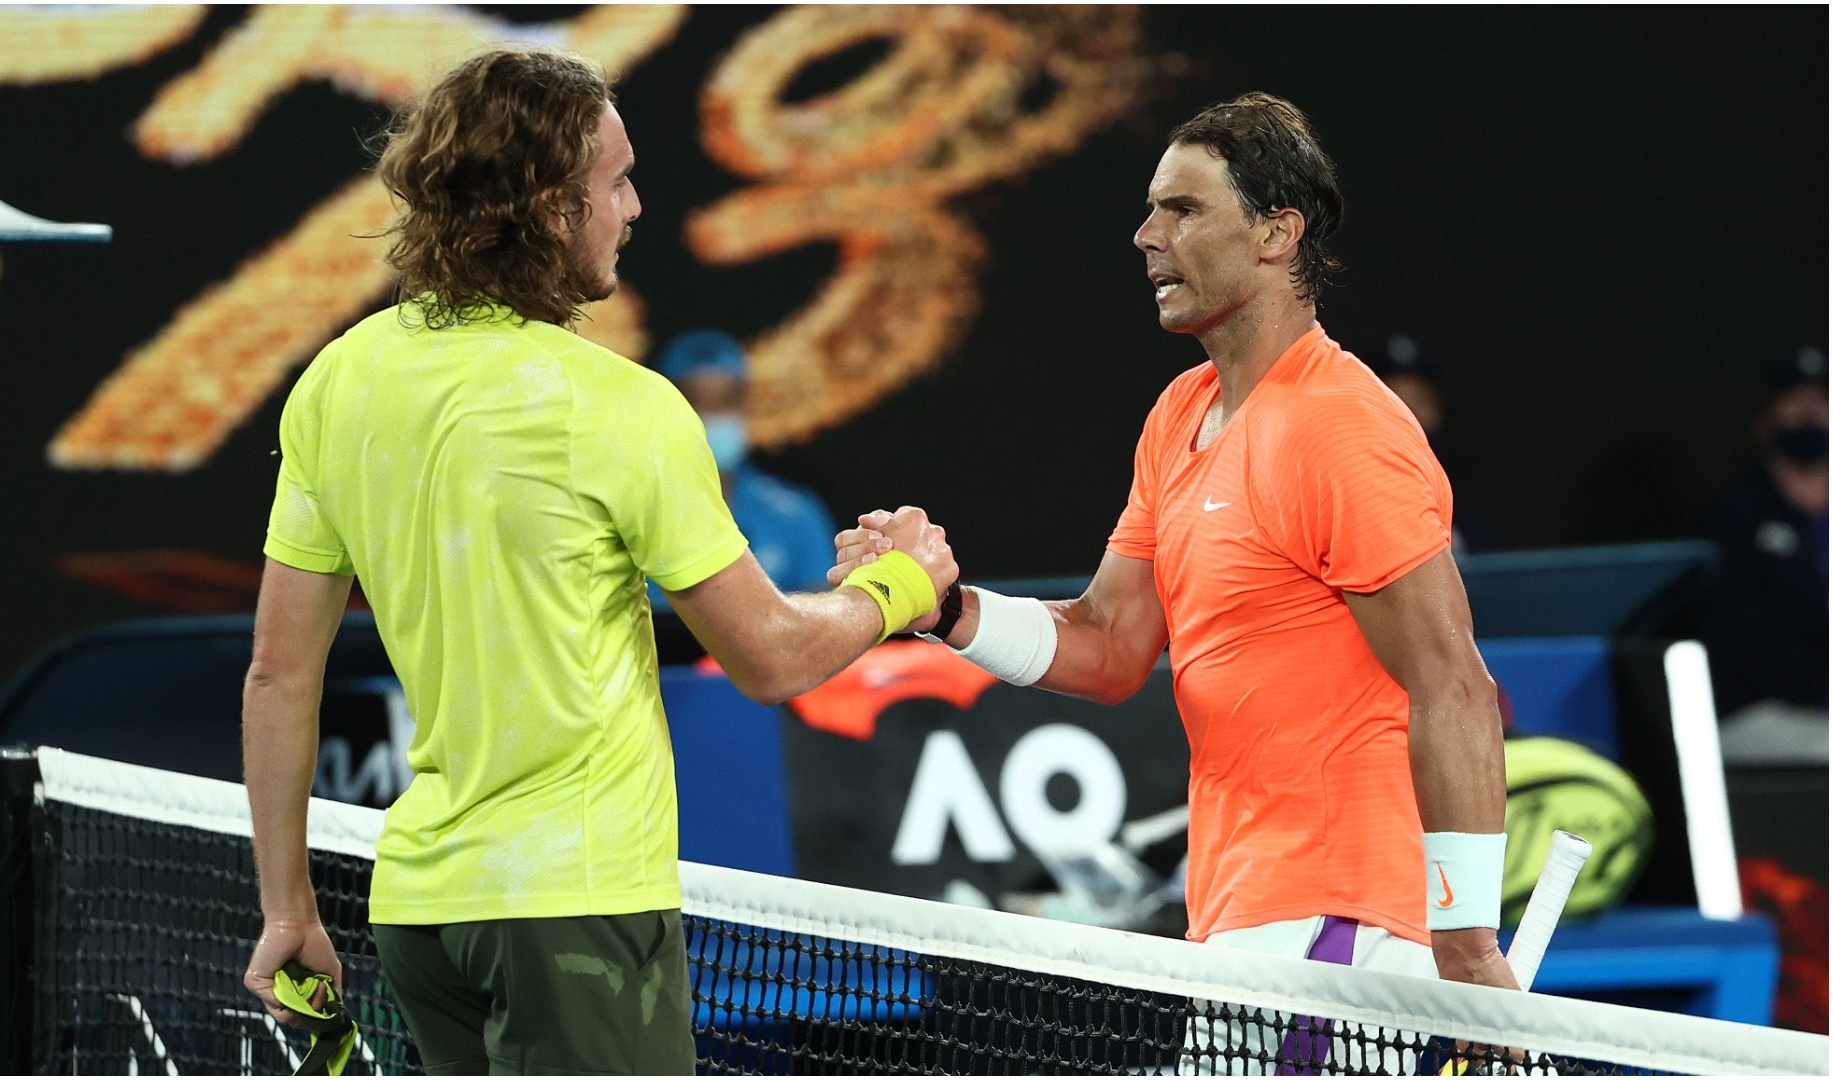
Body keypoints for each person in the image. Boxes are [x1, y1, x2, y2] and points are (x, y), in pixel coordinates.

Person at [238, 47, 957, 1075]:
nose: (633, 206)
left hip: (422, 921)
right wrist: (900, 586)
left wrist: (287, 910)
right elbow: (772, 657)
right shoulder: (619, 408)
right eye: (613, 182)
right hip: (574, 918)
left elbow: (277, 673)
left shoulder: (339, 382)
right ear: (548, 206)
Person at [834, 92, 1516, 1071]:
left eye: (1184, 210)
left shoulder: (1343, 430)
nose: (1146, 234)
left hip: (1346, 930)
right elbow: (1111, 646)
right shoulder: (1181, 414)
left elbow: (1453, 687)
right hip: (1246, 921)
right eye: (1154, 208)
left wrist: (1464, 939)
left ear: (1278, 232)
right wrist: (946, 609)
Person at [1695, 345, 1828, 765]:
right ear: (1765, 418)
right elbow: (1745, 644)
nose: (1810, 415)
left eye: (1821, 400)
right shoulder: (1734, 517)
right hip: (1760, 713)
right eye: (1794, 402)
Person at [645, 330, 838, 612]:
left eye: (726, 400)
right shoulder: (634, 510)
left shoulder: (796, 514)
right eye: (696, 401)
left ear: (746, 405)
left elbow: (824, 619)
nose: (711, 416)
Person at [1360, 334, 1495, 553]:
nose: (1409, 415)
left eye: (1419, 401)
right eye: (1394, 400)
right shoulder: (1345, 514)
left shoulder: (1472, 513)